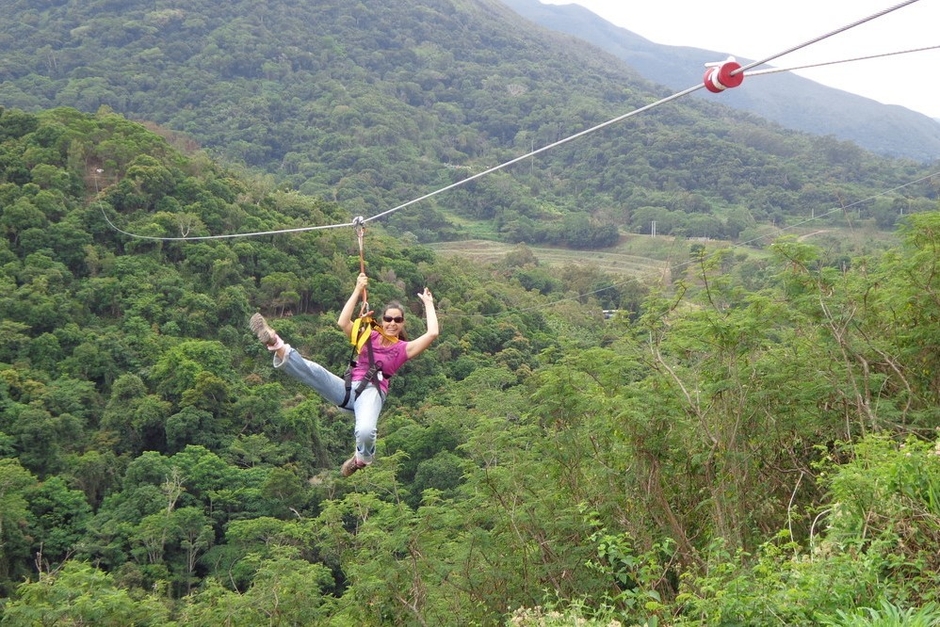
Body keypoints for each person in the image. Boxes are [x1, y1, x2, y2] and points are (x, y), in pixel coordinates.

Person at [249, 272, 439, 476]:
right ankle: (274, 342)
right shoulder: (369, 336)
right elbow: (343, 322)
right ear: (382, 321)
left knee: (365, 431)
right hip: (349, 389)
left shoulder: (403, 349)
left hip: (371, 393)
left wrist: (428, 304)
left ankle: (361, 458)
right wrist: (358, 289)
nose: (392, 323)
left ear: (403, 323)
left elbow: (432, 333)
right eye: (388, 319)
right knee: (315, 371)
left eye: (397, 320)